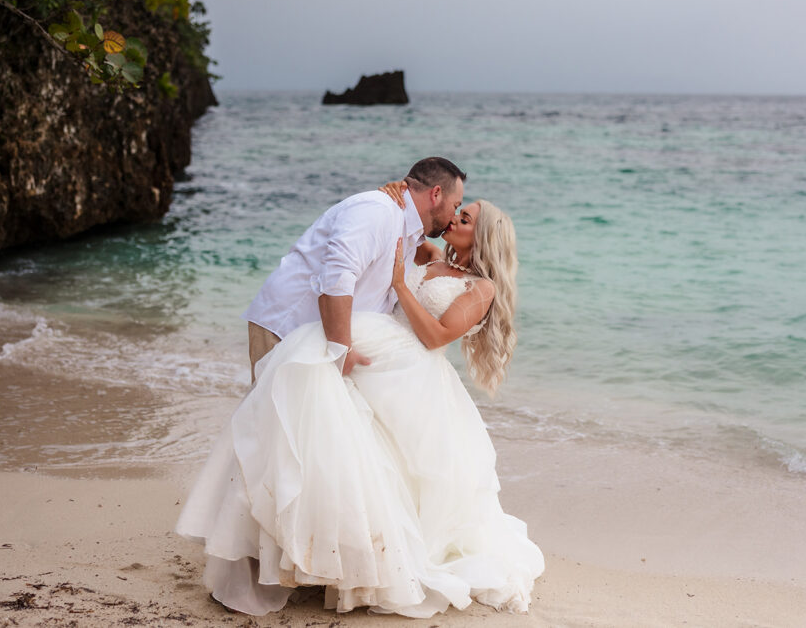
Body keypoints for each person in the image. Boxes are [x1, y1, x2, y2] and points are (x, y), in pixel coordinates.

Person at [175, 172, 544, 618]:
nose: (454, 220)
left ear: (480, 236)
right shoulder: (430, 252)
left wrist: (401, 285)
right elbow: (409, 226)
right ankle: (301, 553)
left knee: (374, 463)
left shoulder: (480, 289)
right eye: (458, 210)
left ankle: (348, 559)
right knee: (334, 445)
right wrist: (397, 190)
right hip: (381, 345)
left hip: (410, 366)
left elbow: (436, 337)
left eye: (464, 218)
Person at [241, 156, 466, 383]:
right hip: (290, 329)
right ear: (436, 194)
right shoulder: (378, 211)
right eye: (456, 205)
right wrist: (342, 349)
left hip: (321, 339)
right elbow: (336, 276)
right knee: (275, 415)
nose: (454, 216)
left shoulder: (411, 230)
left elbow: (430, 259)